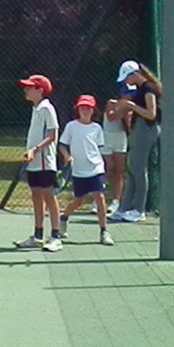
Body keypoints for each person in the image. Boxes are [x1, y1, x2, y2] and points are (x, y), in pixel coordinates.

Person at [57, 94, 114, 246]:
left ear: (93, 110)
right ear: (78, 109)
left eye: (88, 108)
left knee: (99, 197)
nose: (85, 110)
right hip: (78, 171)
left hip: (96, 169)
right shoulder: (71, 126)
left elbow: (99, 149)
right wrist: (67, 156)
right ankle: (63, 218)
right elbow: (62, 145)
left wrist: (105, 165)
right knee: (79, 201)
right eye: (82, 107)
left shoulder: (97, 128)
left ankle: (104, 231)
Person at [15, 74, 63, 252]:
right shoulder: (36, 109)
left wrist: (34, 150)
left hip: (45, 162)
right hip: (34, 162)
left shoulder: (47, 108)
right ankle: (38, 236)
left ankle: (56, 237)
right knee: (36, 196)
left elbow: (52, 135)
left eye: (30, 87)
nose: (26, 90)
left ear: (40, 90)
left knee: (49, 196)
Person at [110, 60, 162, 223]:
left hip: (146, 130)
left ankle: (139, 210)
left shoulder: (148, 89)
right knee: (132, 168)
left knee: (138, 169)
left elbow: (151, 114)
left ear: (134, 74)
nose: (126, 81)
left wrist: (130, 106)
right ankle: (124, 208)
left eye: (127, 77)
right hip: (139, 129)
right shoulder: (141, 89)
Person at [102, 82, 132, 216]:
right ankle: (99, 199)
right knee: (106, 168)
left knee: (119, 171)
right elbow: (110, 117)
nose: (130, 97)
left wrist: (128, 113)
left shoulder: (131, 107)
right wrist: (123, 110)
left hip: (120, 138)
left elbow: (129, 126)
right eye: (128, 94)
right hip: (107, 137)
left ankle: (115, 201)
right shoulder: (112, 102)